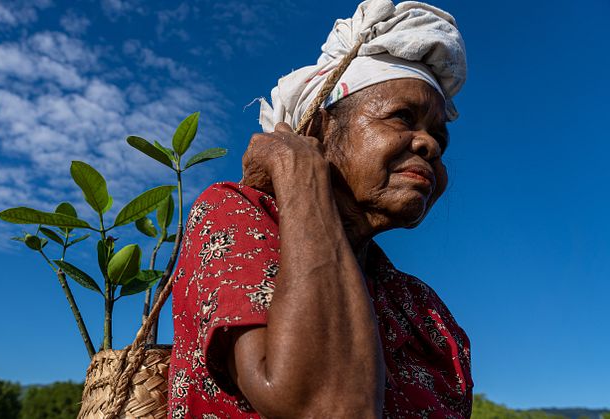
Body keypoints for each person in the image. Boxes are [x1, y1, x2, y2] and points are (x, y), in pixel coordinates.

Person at [167, 0, 472, 417]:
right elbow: (329, 406)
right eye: (403, 117)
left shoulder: (424, 312)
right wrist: (299, 171)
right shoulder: (237, 214)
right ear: (319, 131)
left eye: (439, 136)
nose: (431, 145)